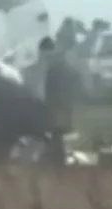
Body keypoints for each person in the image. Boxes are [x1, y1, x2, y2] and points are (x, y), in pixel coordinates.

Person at [28, 36, 76, 164]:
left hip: (50, 111)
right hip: (45, 110)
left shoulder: (55, 69)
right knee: (51, 138)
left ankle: (51, 160)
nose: (46, 57)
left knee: (54, 137)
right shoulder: (57, 69)